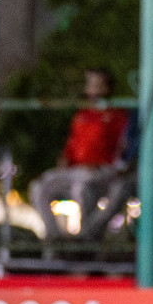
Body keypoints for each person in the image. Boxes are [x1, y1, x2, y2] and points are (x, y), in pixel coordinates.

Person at [29, 69, 130, 240]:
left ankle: (84, 240)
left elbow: (122, 149)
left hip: (101, 171)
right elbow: (71, 147)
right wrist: (64, 160)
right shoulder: (81, 115)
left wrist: (108, 164)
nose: (93, 89)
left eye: (98, 85)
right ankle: (55, 238)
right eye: (90, 84)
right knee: (39, 187)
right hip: (75, 171)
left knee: (82, 190)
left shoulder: (116, 116)